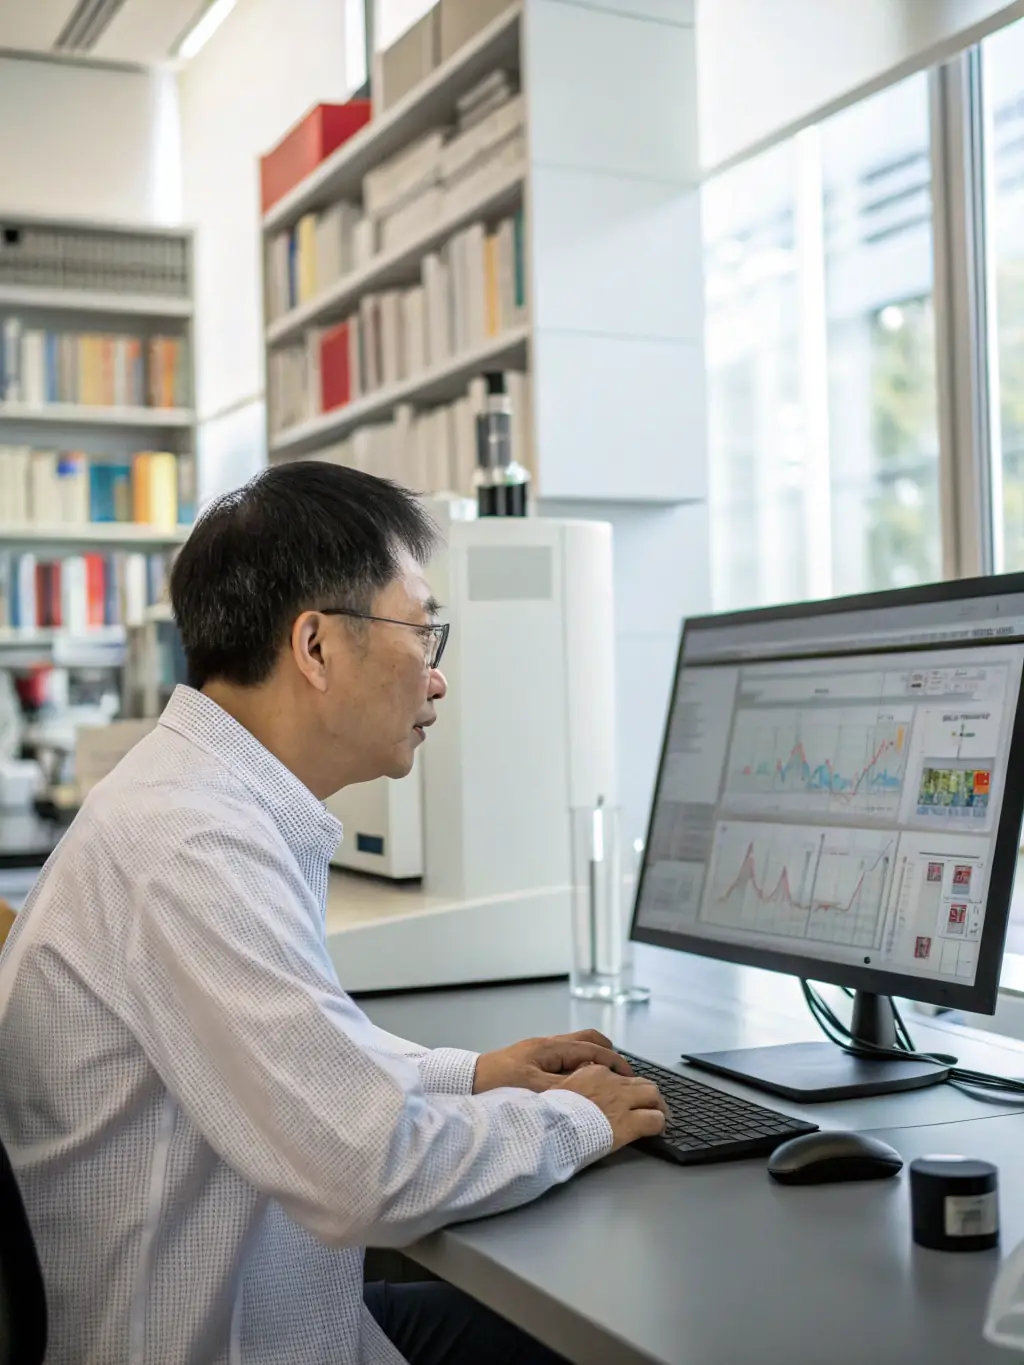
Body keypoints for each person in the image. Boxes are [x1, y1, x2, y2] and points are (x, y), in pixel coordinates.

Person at [0, 462, 666, 1365]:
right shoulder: (193, 844)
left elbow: (301, 1056)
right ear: (314, 646)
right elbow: (365, 1170)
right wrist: (580, 1119)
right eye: (423, 631)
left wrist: (472, 1075)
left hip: (264, 1310)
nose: (436, 680)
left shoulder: (200, 800)